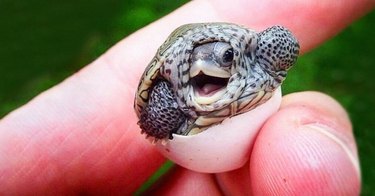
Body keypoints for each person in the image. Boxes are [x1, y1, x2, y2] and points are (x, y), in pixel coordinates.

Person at [0, 0, 372, 194]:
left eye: (223, 61)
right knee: (161, 111)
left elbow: (283, 42)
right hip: (188, 105)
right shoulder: (175, 88)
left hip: (246, 85)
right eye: (198, 69)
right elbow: (155, 111)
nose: (206, 71)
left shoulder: (255, 59)